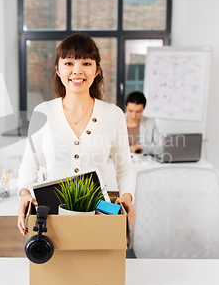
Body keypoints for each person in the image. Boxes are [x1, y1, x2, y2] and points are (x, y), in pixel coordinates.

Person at [17, 33, 136, 235]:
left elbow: (124, 169)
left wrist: (127, 196)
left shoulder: (113, 114)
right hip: (52, 218)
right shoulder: (42, 112)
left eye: (86, 63)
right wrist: (24, 195)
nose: (77, 71)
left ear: (97, 70)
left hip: (100, 214)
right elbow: (29, 166)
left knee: (97, 266)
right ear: (58, 69)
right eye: (69, 63)